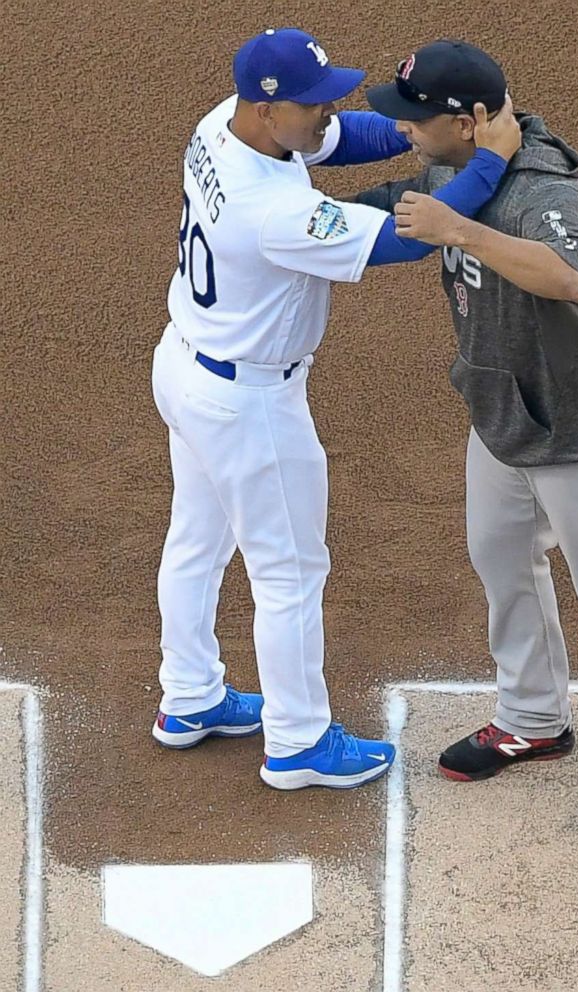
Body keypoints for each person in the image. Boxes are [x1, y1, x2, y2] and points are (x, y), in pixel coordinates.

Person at [150, 28, 521, 791]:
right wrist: (487, 159)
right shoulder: (270, 211)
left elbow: (340, 138)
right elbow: (404, 238)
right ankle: (297, 742)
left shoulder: (224, 122)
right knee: (288, 573)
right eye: (313, 103)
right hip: (247, 402)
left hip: (187, 367)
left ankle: (189, 699)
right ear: (268, 104)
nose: (327, 113)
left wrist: (417, 126)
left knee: (196, 541)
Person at [358, 38, 578, 832]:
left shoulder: (544, 185)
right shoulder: (454, 161)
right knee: (501, 560)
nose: (406, 128)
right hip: (502, 409)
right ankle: (534, 718)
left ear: (471, 120)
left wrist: (461, 231)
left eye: (416, 118)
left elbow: (570, 276)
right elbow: (408, 203)